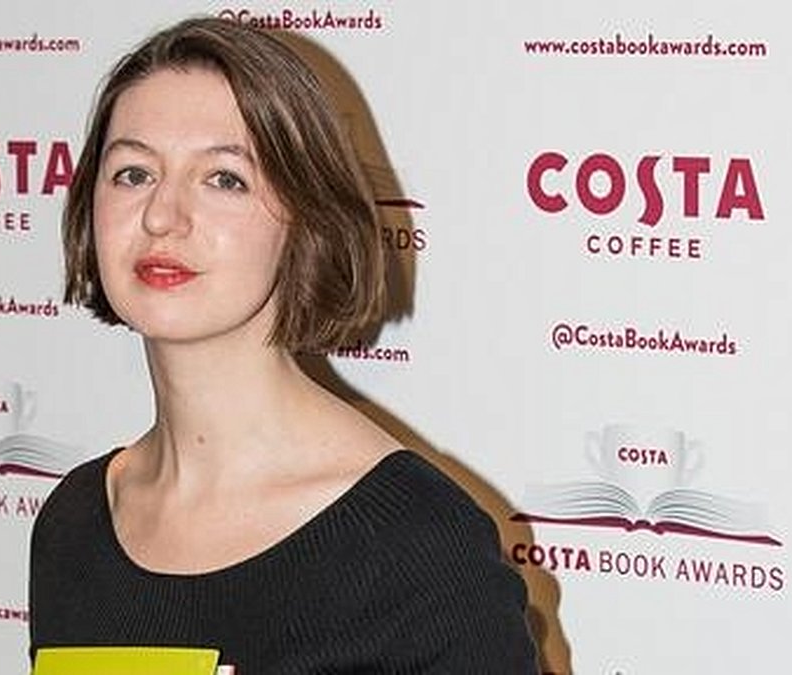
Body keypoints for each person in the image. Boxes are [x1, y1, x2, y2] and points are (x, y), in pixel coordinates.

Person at [29, 16, 537, 673]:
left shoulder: (419, 548)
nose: (162, 215)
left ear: (306, 220)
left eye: (224, 179)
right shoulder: (74, 524)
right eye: (132, 173)